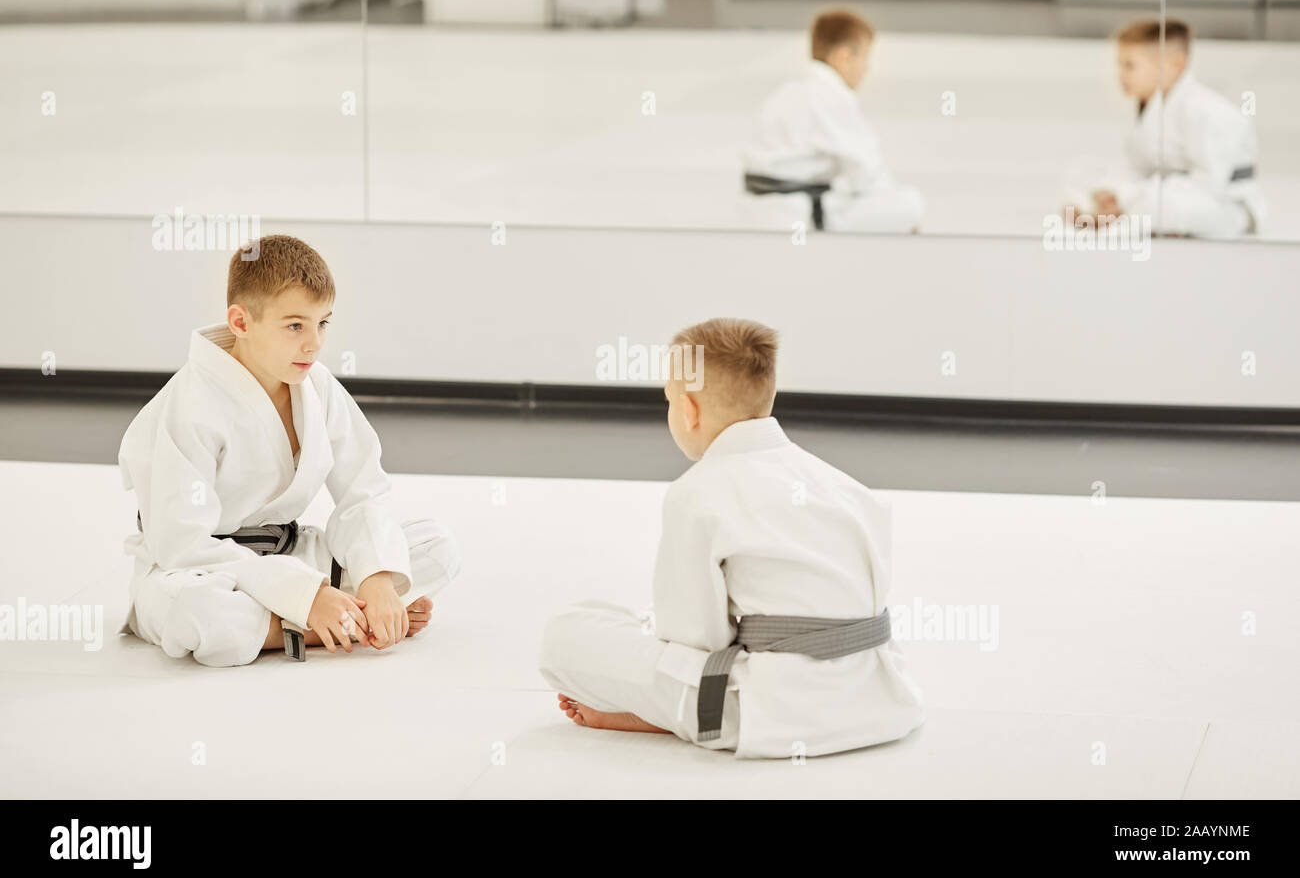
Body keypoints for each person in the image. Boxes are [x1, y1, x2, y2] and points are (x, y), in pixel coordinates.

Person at [538, 318, 925, 758]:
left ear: (689, 411)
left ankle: (665, 717)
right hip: (877, 699)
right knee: (637, 623)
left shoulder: (697, 492)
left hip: (761, 710)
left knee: (564, 635)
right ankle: (666, 709)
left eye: (668, 401)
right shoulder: (846, 487)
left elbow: (695, 641)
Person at [117, 234, 462, 667]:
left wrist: (376, 579)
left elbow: (362, 493)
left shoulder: (316, 385)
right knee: (198, 614)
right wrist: (309, 596)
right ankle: (319, 626)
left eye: (323, 323)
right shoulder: (190, 404)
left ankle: (343, 610)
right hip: (200, 571)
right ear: (240, 322)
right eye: (295, 325)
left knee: (436, 546)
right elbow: (182, 545)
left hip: (288, 553)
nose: (314, 343)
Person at [1067, 18, 1264, 237]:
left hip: (1226, 207)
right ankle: (1110, 217)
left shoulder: (1211, 112)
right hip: (1164, 195)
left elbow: (1212, 185)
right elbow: (1137, 168)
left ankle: (1109, 223)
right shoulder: (1151, 109)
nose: (1120, 75)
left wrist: (1129, 196)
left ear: (1175, 64)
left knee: (1158, 206)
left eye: (1130, 65)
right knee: (1081, 179)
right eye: (1119, 65)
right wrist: (1112, 192)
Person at [740, 9, 924, 233]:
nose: (866, 69)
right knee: (910, 203)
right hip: (796, 215)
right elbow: (867, 175)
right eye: (864, 58)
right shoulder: (830, 95)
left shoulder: (787, 91)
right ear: (844, 57)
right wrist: (902, 219)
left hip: (760, 210)